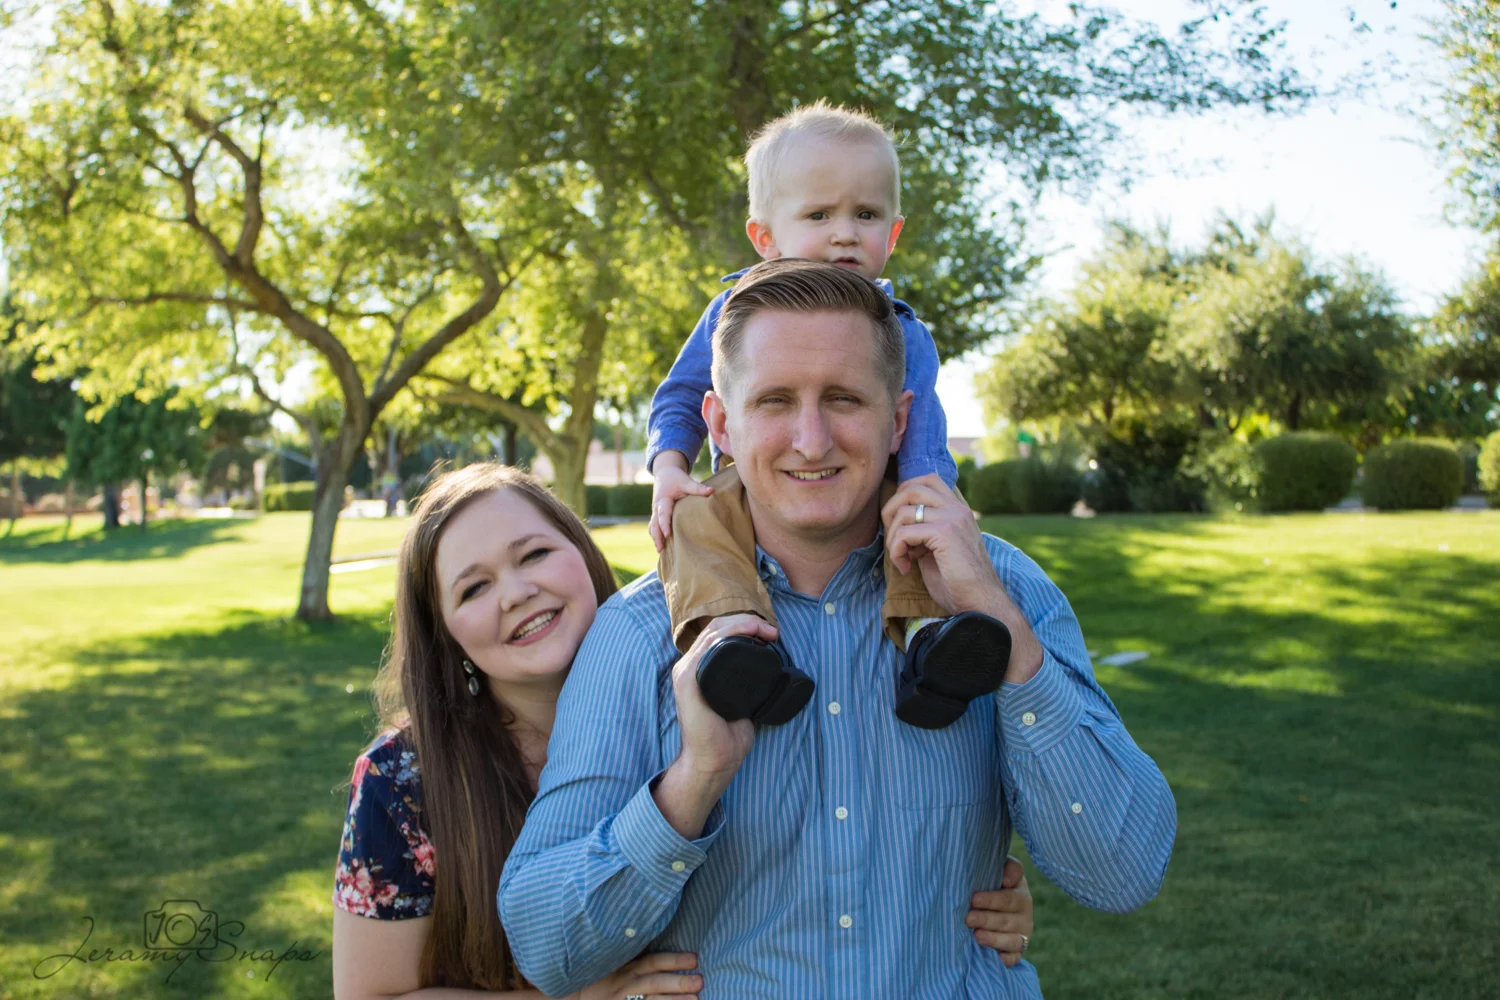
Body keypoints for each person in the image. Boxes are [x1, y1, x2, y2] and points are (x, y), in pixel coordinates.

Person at [499, 260, 1177, 998]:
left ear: (899, 422)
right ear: (721, 424)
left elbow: (1124, 871)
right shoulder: (637, 636)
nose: (812, 440)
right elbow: (544, 944)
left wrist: (1004, 632)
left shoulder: (1004, 596)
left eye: (844, 399)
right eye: (776, 400)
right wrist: (691, 786)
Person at [331, 463, 1036, 999]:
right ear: (446, 634)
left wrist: (960, 892)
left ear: (583, 553)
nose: (516, 592)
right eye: (473, 588)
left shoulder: (714, 677)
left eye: (534, 554)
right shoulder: (404, 780)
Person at [646, 100, 1009, 732]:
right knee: (695, 515)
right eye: (819, 215)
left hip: (872, 486)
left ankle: (929, 644)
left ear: (893, 233)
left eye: (865, 215)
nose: (845, 232)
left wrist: (933, 488)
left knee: (913, 527)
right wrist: (669, 465)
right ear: (766, 237)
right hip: (749, 488)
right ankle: (733, 638)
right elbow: (680, 394)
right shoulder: (732, 314)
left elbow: (919, 425)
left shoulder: (902, 332)